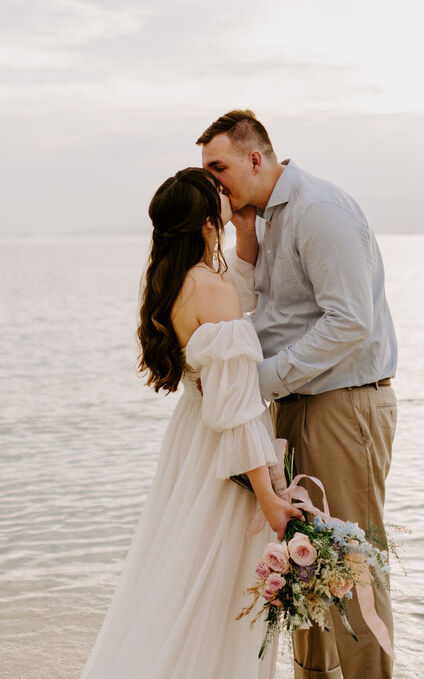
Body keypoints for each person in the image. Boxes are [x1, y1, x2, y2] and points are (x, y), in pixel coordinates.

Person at [199, 110, 399, 679]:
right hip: (297, 402)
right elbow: (273, 318)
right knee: (301, 558)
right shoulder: (264, 222)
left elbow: (350, 322)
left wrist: (256, 382)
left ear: (255, 158)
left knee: (351, 563)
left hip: (345, 402)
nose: (215, 182)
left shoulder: (319, 211)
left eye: (220, 167)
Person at [80, 167, 302, 679]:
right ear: (207, 221)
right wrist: (267, 494)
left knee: (181, 577)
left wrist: (244, 231)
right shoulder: (212, 287)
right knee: (215, 591)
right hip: (225, 447)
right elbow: (239, 406)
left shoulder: (178, 281)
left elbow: (238, 300)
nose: (229, 194)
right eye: (220, 193)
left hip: (193, 437)